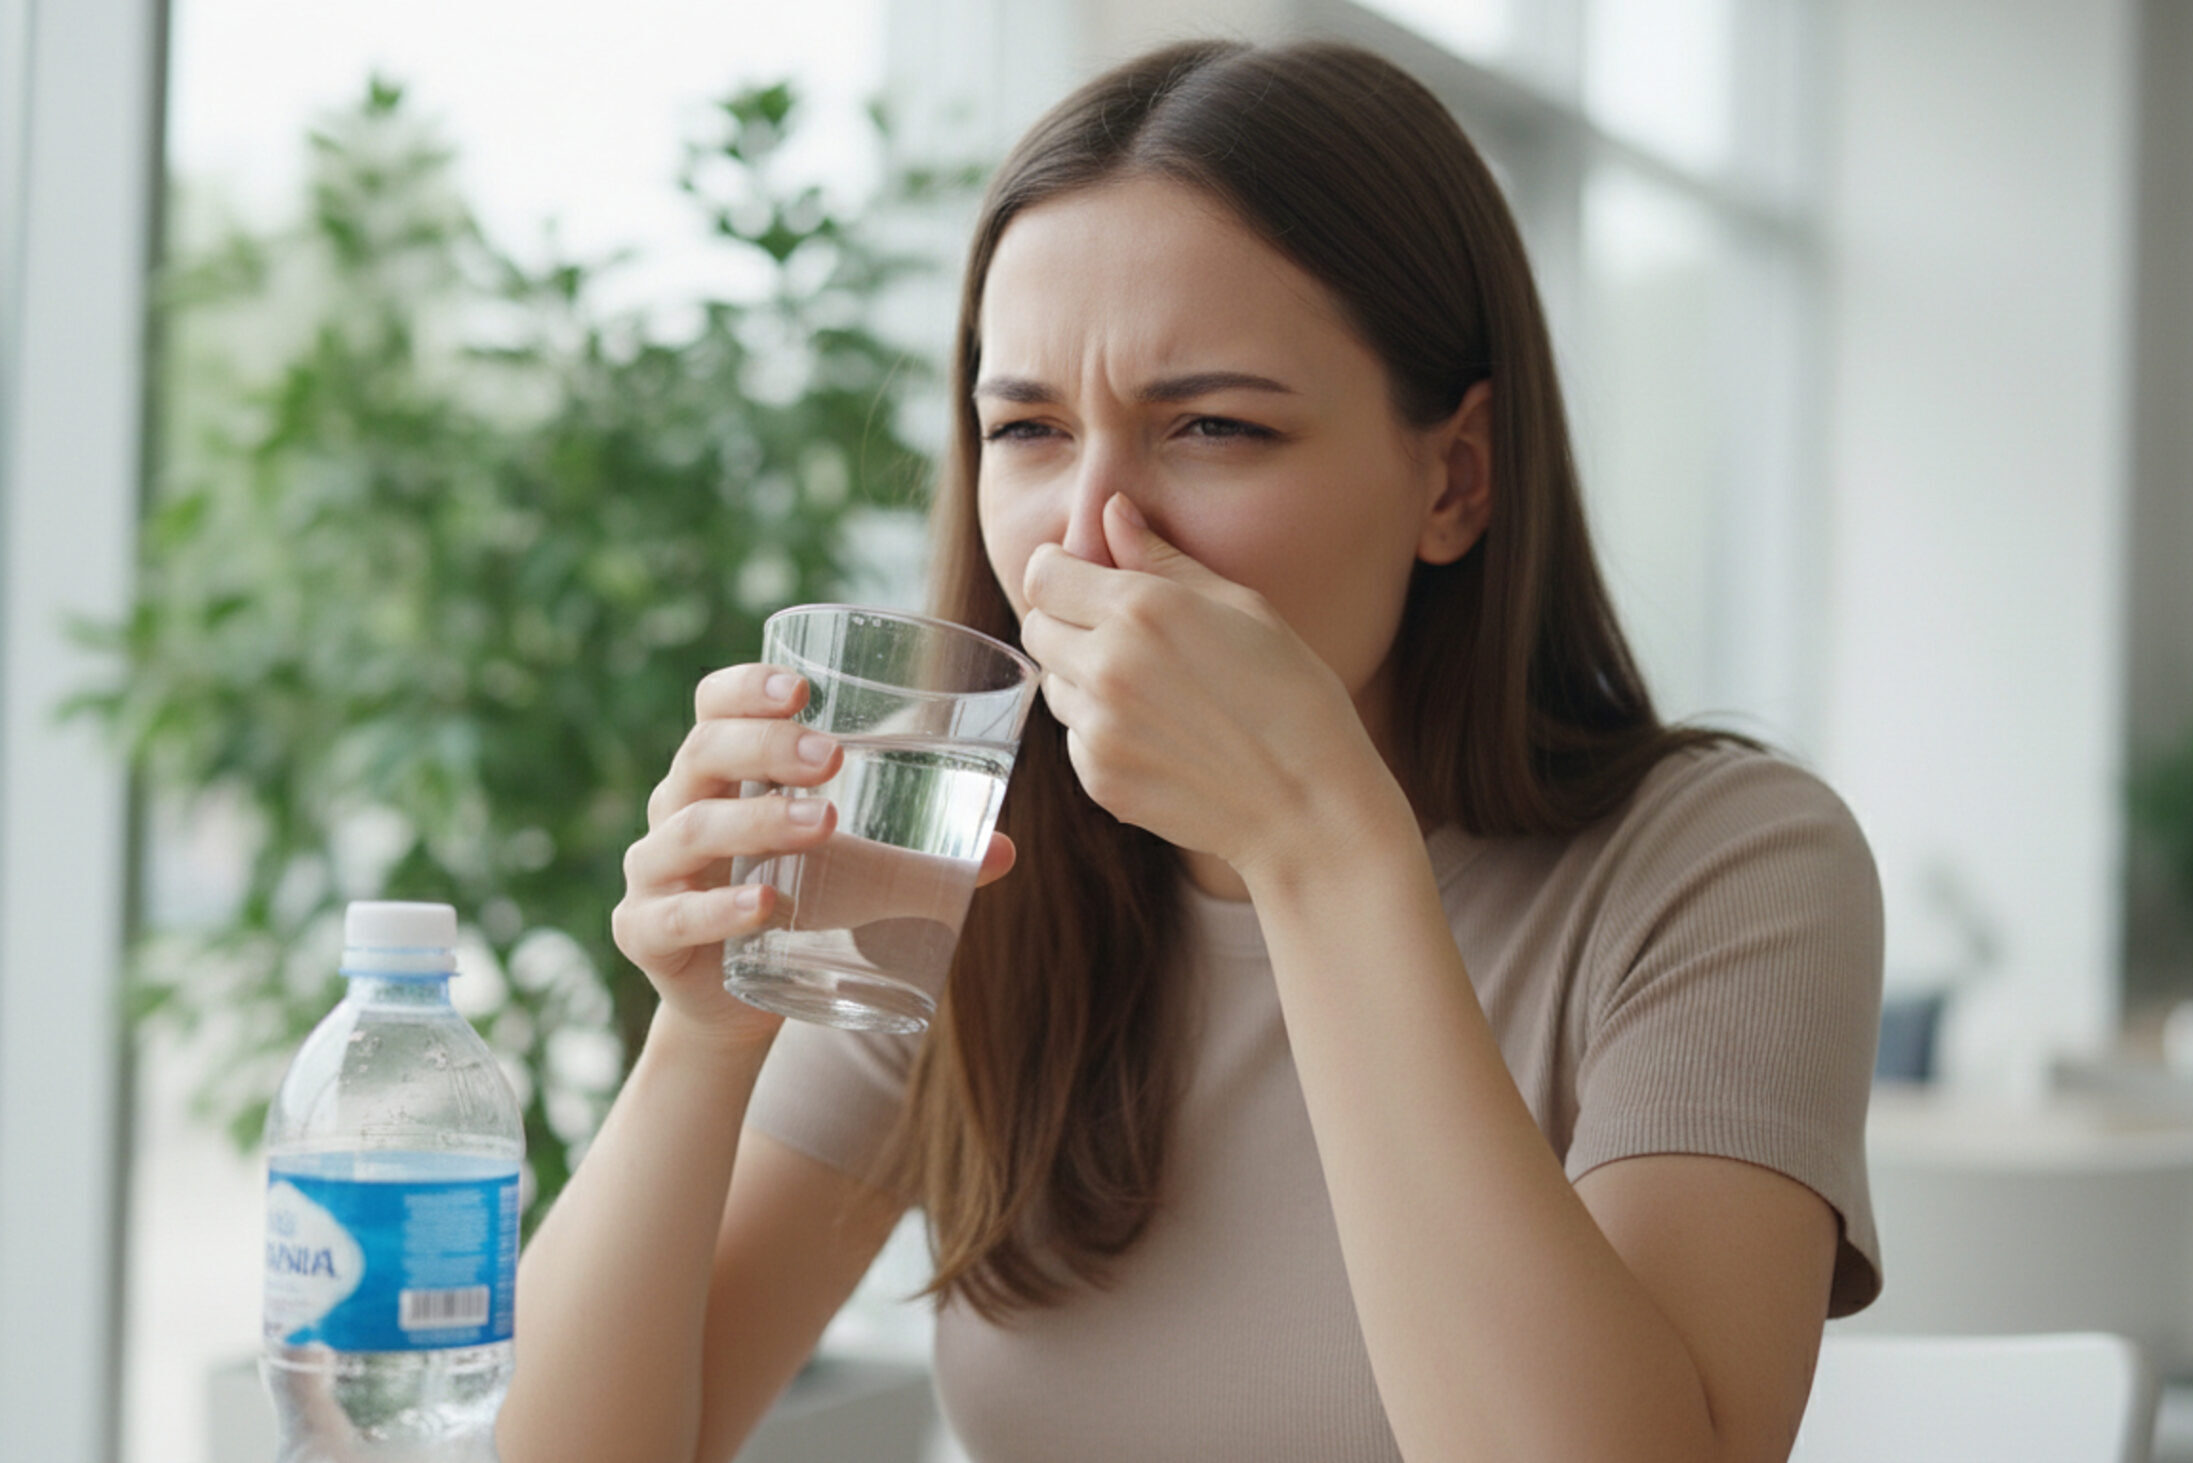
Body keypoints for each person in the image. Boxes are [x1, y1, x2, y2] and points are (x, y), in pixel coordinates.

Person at [499, 36, 1883, 1463]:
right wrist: (701, 1038)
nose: (1093, 531)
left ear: (1453, 478)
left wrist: (1319, 846)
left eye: (1214, 426)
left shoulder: (1724, 866)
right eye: (1026, 429)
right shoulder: (953, 865)